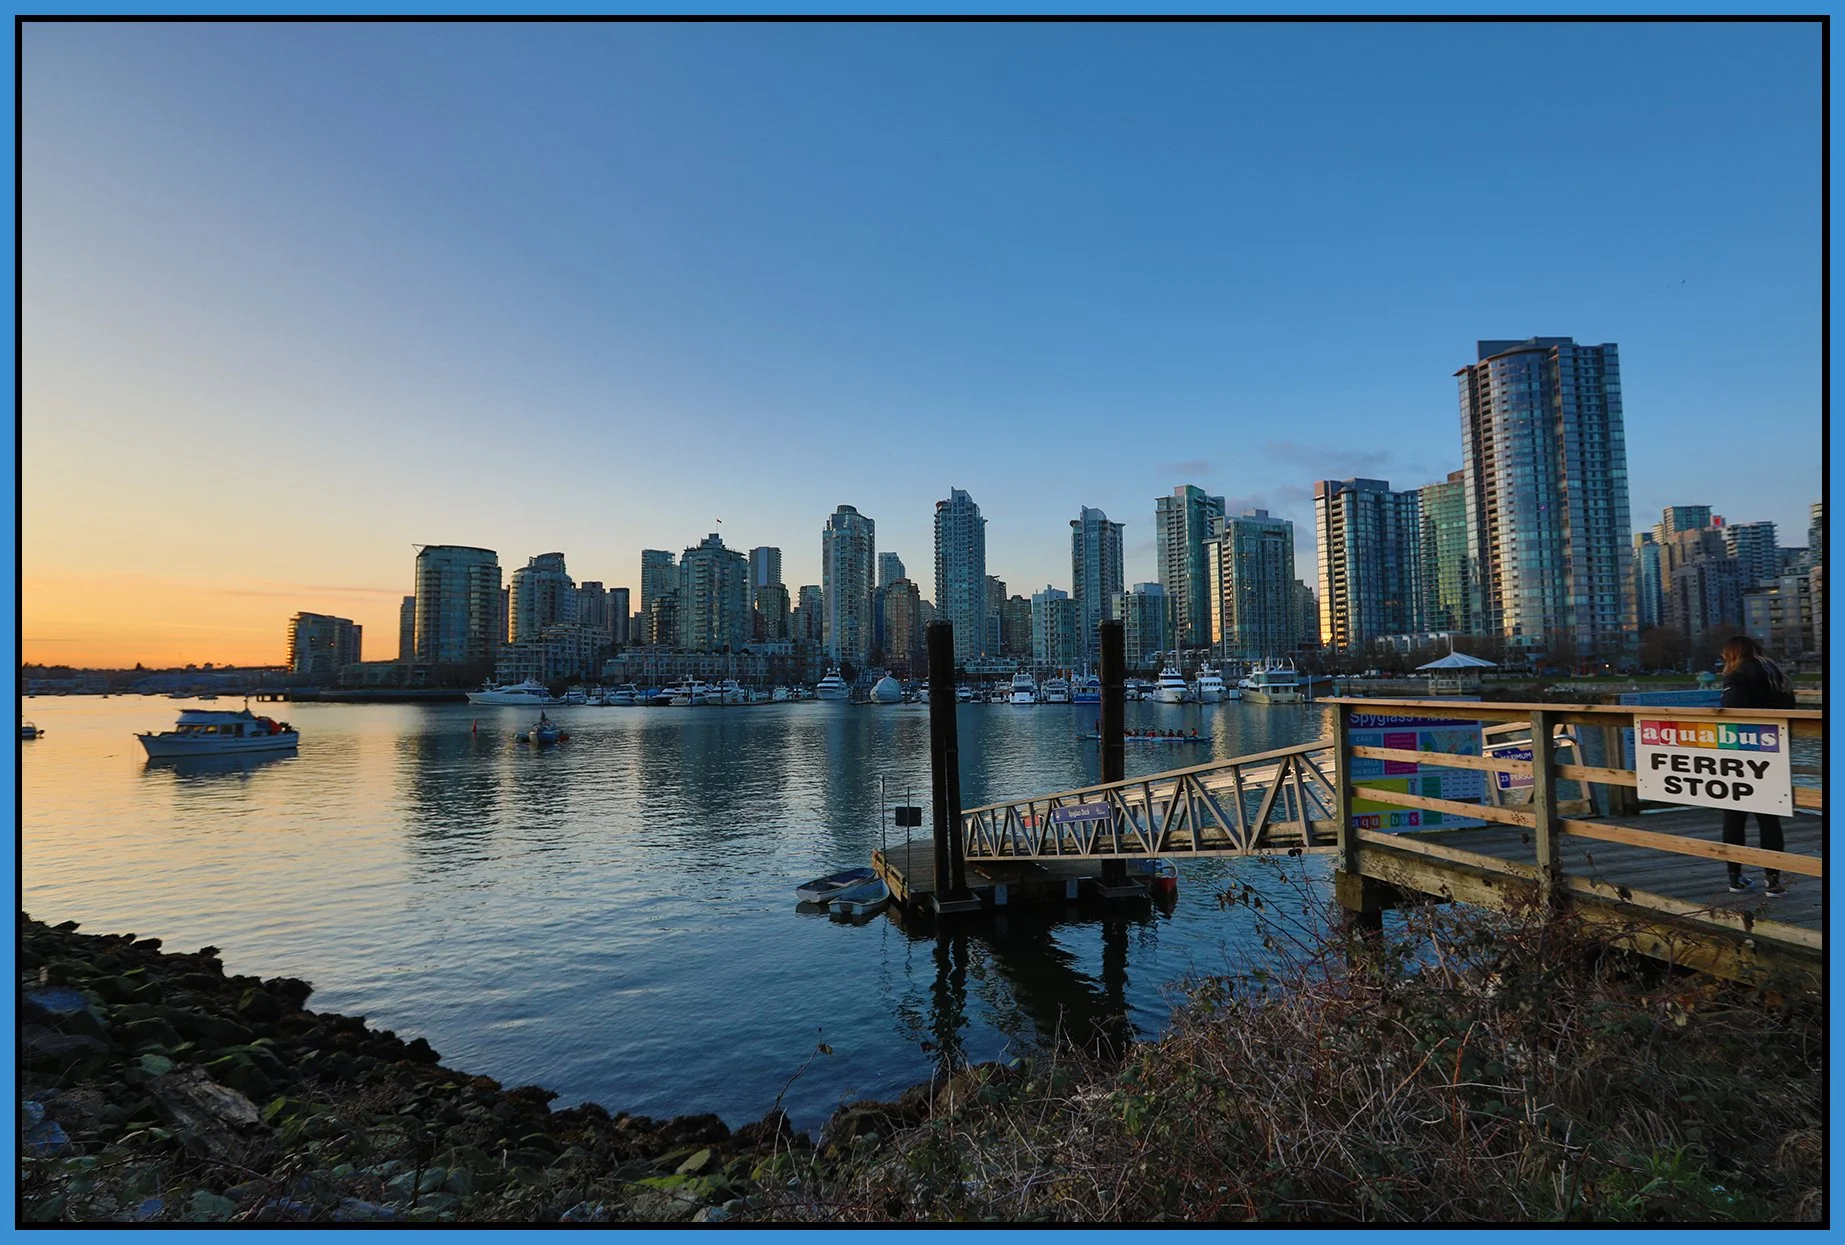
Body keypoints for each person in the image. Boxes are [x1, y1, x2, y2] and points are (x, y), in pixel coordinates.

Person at [1718, 635, 1794, 896]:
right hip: (1774, 748)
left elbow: (1734, 710)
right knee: (1769, 818)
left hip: (1743, 751)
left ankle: (1735, 877)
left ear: (1732, 654)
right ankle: (1773, 881)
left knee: (1734, 816)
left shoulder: (1737, 676)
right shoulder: (1776, 674)